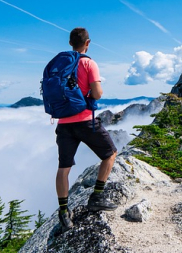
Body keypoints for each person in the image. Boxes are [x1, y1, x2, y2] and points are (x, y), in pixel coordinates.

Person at [55, 27, 118, 230]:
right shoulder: (89, 63)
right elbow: (97, 94)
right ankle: (96, 197)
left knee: (63, 169)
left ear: (70, 43)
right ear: (88, 43)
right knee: (110, 154)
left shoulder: (60, 65)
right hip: (84, 121)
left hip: (64, 123)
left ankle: (64, 212)